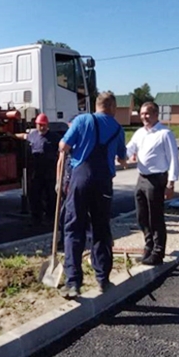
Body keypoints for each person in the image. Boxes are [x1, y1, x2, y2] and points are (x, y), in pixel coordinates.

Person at [57, 91, 128, 298]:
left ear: (97, 105)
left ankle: (73, 282)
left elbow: (64, 146)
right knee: (101, 229)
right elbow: (122, 158)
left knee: (73, 229)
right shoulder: (117, 128)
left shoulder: (82, 120)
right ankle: (102, 279)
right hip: (103, 183)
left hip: (80, 180)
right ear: (112, 107)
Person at [126, 101, 179, 266]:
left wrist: (171, 183)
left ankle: (158, 252)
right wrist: (120, 155)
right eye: (142, 114)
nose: (144, 117)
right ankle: (148, 245)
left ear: (156, 114)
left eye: (147, 113)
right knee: (141, 216)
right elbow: (130, 149)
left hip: (157, 179)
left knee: (155, 217)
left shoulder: (165, 134)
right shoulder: (140, 133)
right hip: (141, 178)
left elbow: (174, 160)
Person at [19, 113, 62, 228]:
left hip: (50, 173)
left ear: (47, 125)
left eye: (43, 125)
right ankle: (36, 219)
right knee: (34, 196)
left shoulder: (55, 137)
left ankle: (51, 219)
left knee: (50, 197)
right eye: (39, 125)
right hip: (36, 172)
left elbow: (63, 150)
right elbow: (24, 136)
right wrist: (10, 134)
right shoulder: (32, 135)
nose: (41, 127)